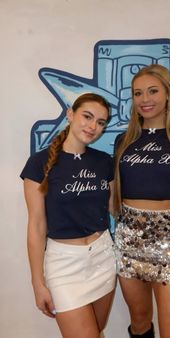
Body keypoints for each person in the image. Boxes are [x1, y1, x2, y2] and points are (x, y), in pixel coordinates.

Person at [113, 64, 170, 338]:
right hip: (128, 238)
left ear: (168, 94)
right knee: (140, 323)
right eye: (138, 93)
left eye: (152, 91)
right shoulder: (124, 140)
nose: (145, 99)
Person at [20, 93, 116, 338]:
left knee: (97, 330)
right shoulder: (39, 163)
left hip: (103, 257)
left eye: (101, 122)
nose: (93, 126)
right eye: (87, 116)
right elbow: (37, 226)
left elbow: (115, 208)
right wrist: (37, 282)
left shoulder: (104, 162)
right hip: (63, 264)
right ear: (70, 114)